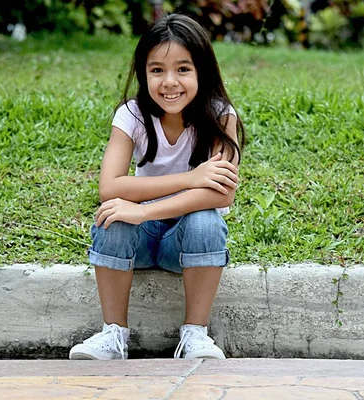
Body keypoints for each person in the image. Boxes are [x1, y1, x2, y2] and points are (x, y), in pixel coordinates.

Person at [69, 13, 245, 361]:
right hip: (142, 240)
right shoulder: (132, 115)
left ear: (202, 71)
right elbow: (110, 186)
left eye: (183, 69)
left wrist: (144, 209)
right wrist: (191, 178)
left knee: (206, 220)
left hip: (186, 244)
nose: (169, 82)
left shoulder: (221, 114)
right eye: (156, 70)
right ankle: (112, 335)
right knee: (113, 214)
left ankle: (195, 335)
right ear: (143, 73)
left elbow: (221, 192)